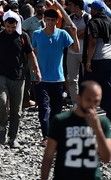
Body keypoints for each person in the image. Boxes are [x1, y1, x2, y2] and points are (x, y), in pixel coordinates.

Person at [0, 10, 39, 148]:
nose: (10, 30)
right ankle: (2, 126)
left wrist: (37, 69)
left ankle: (13, 137)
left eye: (13, 27)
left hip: (19, 77)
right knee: (1, 101)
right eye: (8, 27)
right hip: (1, 75)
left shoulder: (23, 36)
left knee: (16, 110)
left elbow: (30, 54)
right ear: (4, 24)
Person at [41, 81, 111, 180]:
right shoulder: (61, 121)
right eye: (88, 99)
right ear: (78, 98)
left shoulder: (103, 123)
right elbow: (48, 156)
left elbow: (107, 157)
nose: (92, 104)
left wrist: (97, 129)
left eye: (96, 101)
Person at [32, 8, 80, 142]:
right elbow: (33, 53)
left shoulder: (63, 34)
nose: (50, 23)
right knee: (43, 107)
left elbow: (76, 49)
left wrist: (74, 34)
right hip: (41, 78)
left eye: (53, 20)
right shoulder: (37, 34)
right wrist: (34, 70)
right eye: (48, 20)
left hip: (58, 78)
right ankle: (46, 136)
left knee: (56, 109)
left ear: (57, 21)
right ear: (44, 20)